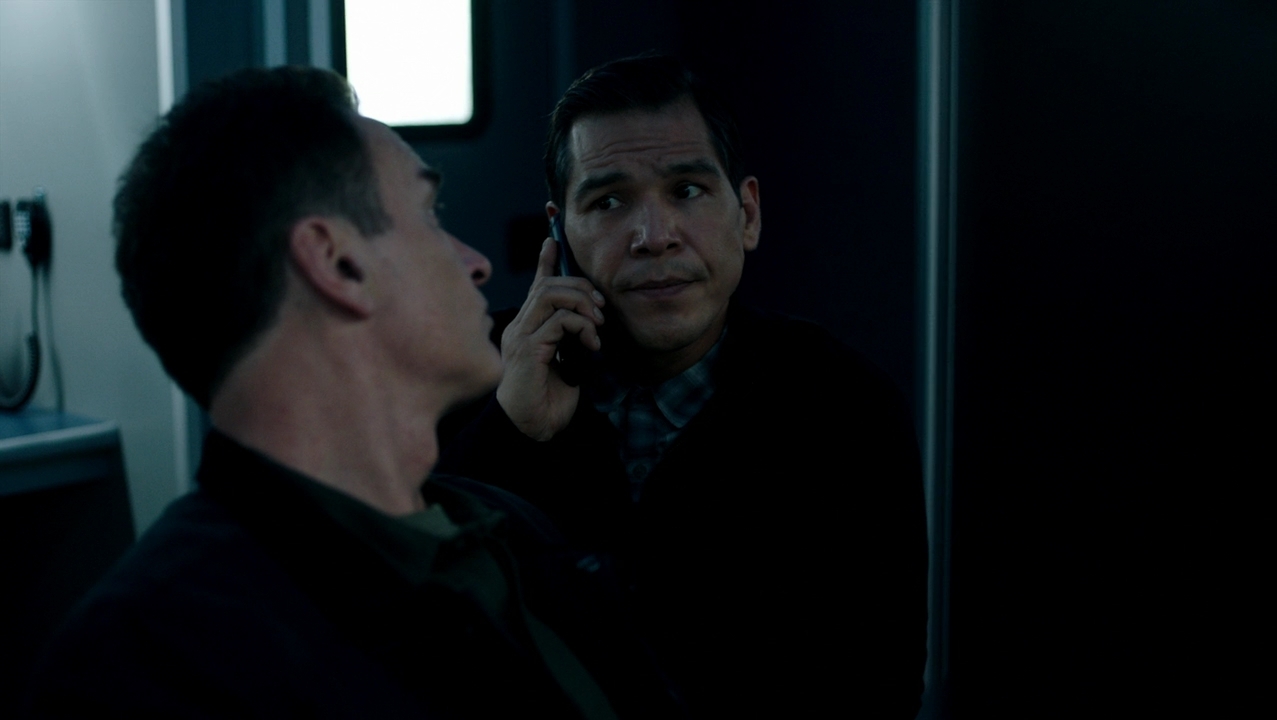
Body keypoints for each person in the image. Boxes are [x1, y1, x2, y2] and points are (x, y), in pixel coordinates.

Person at [24, 67, 682, 719]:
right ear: (338, 263)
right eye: (429, 216)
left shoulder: (500, 527)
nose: (477, 262)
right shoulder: (152, 661)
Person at [438, 54, 928, 717]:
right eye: (609, 202)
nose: (654, 237)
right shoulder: (471, 373)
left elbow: (878, 686)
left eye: (688, 191)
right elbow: (408, 631)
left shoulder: (844, 406)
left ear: (747, 214)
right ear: (561, 232)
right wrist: (512, 429)